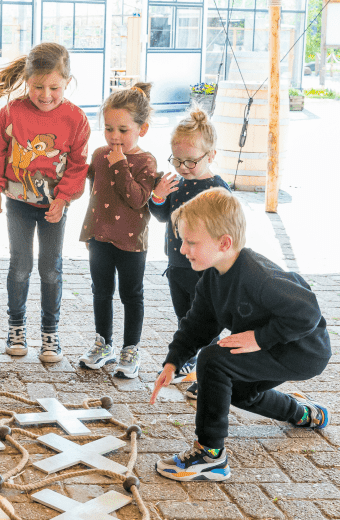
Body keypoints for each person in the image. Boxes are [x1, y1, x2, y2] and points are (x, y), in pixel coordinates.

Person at [150, 188, 331, 482]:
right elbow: (197, 325)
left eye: (191, 242)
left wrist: (259, 338)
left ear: (224, 242)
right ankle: (302, 414)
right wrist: (172, 362)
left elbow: (307, 313)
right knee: (240, 392)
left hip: (303, 350)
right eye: (183, 241)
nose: (183, 250)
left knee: (213, 360)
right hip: (276, 346)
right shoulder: (211, 277)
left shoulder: (259, 275)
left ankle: (210, 455)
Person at [0, 42, 90, 362]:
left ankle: (50, 333)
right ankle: (16, 326)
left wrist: (64, 198)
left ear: (67, 82)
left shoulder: (76, 119)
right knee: (21, 265)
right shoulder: (12, 112)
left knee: (50, 269)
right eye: (37, 86)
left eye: (54, 87)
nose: (45, 94)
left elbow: (78, 165)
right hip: (19, 204)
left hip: (55, 206)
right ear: (27, 80)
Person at [149, 107, 231, 399]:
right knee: (185, 319)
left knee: (207, 324)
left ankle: (209, 374)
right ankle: (190, 359)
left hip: (206, 271)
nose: (183, 167)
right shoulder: (177, 184)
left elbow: (229, 229)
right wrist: (158, 195)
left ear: (211, 156)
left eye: (191, 161)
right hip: (177, 266)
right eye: (177, 160)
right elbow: (161, 215)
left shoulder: (218, 188)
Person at [77, 84, 156, 378]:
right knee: (101, 292)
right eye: (109, 128)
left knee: (131, 294)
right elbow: (93, 192)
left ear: (142, 129)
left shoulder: (145, 161)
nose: (114, 137)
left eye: (123, 130)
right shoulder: (99, 155)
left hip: (131, 242)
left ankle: (131, 348)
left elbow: (136, 199)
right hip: (100, 237)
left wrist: (121, 164)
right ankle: (103, 343)